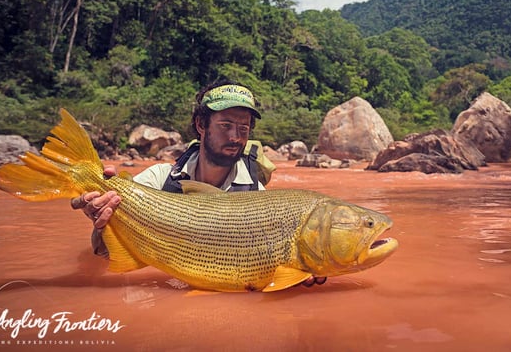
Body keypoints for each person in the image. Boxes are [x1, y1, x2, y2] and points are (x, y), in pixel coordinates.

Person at [70, 80, 326, 287]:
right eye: (225, 125)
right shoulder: (158, 181)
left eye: (244, 129)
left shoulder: (255, 197)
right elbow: (105, 255)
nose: (235, 137)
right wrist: (99, 218)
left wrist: (301, 269)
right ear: (201, 125)